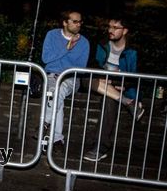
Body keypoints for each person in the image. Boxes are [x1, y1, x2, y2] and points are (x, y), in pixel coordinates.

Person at [83, 18, 144, 161]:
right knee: (86, 79)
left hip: (122, 86)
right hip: (100, 82)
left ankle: (99, 148)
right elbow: (92, 65)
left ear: (125, 31)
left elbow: (137, 76)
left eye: (115, 27)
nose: (110, 30)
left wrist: (125, 85)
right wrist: (101, 76)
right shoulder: (102, 44)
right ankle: (128, 103)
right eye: (109, 26)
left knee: (109, 100)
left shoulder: (133, 51)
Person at [42, 10, 90, 153]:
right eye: (74, 21)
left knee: (59, 89)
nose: (78, 24)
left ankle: (45, 121)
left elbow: (81, 68)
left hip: (70, 78)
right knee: (57, 95)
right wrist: (66, 48)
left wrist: (63, 71)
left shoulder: (84, 42)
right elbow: (46, 59)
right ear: (65, 22)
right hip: (51, 76)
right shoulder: (52, 35)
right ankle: (57, 139)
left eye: (80, 22)